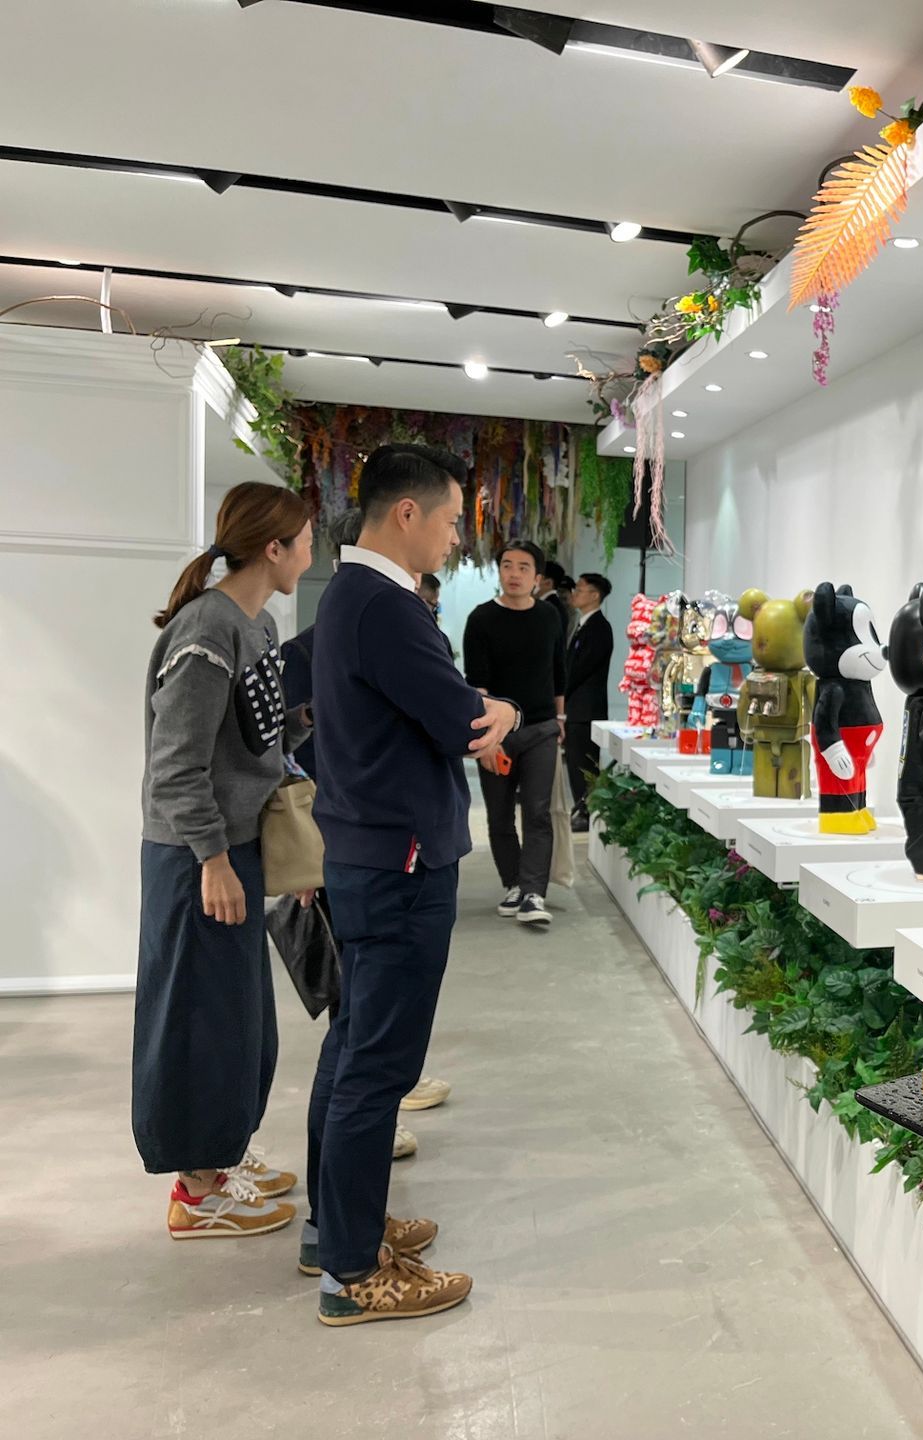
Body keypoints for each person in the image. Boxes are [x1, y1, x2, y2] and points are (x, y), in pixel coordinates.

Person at [308, 444, 518, 1325]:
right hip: (397, 864)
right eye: (451, 520)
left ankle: (337, 1230)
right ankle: (353, 1272)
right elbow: (463, 720)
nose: (456, 537)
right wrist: (501, 708)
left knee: (356, 1047)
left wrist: (473, 707)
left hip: (374, 855)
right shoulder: (383, 604)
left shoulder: (351, 596)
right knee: (378, 1064)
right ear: (406, 513)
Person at [135, 480, 314, 1239]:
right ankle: (196, 1190)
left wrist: (308, 721)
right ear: (273, 548)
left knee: (238, 1019)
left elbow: (250, 740)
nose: (310, 555)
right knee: (196, 1018)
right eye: (305, 542)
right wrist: (211, 859)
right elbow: (175, 765)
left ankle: (220, 1154)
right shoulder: (208, 629)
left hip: (232, 847)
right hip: (195, 857)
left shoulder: (257, 625)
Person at [282, 512, 437, 1164]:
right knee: (356, 1030)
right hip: (349, 844)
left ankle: (348, 1188)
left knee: (360, 1026)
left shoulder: (343, 625)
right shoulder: (318, 643)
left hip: (354, 842)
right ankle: (347, 1198)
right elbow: (282, 748)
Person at [464, 539, 568, 926]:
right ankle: (513, 883)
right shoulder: (481, 618)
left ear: (537, 577)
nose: (514, 574)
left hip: (541, 728)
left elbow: (558, 671)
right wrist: (486, 740)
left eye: (524, 567)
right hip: (499, 733)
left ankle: (534, 892)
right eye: (507, 565)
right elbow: (477, 684)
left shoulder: (550, 616)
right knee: (499, 813)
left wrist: (561, 718)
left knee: (539, 812)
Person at [564, 571, 615, 831]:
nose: (574, 593)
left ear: (594, 595)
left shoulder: (599, 628)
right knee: (575, 763)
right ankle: (582, 808)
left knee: (583, 764)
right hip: (576, 708)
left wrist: (560, 692)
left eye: (580, 589)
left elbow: (579, 669)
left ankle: (587, 811)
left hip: (586, 710)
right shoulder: (582, 625)